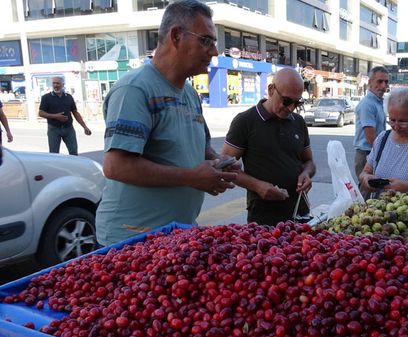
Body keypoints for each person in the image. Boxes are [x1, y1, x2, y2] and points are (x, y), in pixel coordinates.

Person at [96, 0, 238, 245]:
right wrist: (191, 177)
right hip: (133, 239)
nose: (214, 52)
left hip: (177, 236)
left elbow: (200, 151)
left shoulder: (190, 94)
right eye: (206, 40)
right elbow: (116, 166)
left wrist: (218, 164)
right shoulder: (135, 89)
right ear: (176, 36)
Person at [221, 68, 316, 226]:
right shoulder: (245, 121)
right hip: (264, 217)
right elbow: (225, 167)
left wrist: (307, 173)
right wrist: (257, 186)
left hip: (300, 212)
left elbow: (309, 161)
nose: (291, 108)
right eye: (286, 101)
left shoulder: (298, 122)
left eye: (297, 103)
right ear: (271, 90)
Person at [353, 66, 389, 198]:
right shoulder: (368, 104)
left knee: (373, 192)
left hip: (373, 153)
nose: (383, 85)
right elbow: (371, 138)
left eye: (386, 82)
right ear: (370, 82)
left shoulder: (378, 102)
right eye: (379, 81)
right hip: (367, 155)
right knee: (366, 194)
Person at [38, 76, 92, 155]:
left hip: (69, 129)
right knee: (54, 154)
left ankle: (74, 167)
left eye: (58, 83)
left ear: (63, 84)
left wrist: (85, 127)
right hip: (54, 129)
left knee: (73, 152)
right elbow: (41, 113)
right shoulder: (46, 97)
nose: (55, 85)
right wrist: (56, 116)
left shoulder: (69, 97)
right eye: (54, 83)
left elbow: (75, 112)